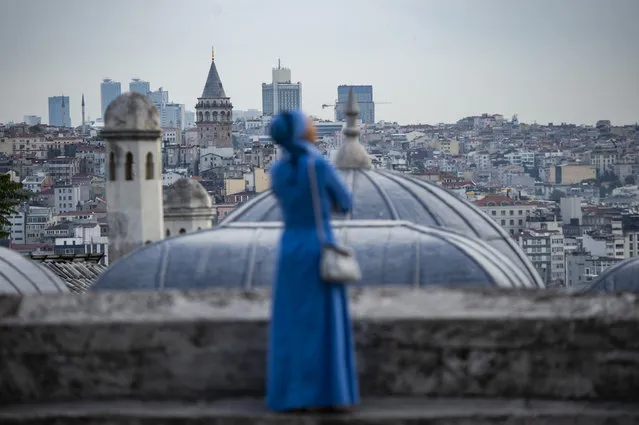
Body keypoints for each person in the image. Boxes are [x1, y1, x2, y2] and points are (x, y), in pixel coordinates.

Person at [266, 110, 360, 413]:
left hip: (290, 246)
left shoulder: (278, 170)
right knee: (323, 323)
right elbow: (344, 203)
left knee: (291, 322)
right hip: (318, 246)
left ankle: (291, 395)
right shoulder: (317, 164)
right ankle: (328, 393)